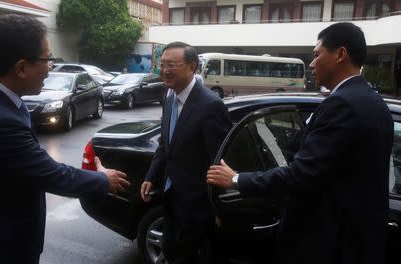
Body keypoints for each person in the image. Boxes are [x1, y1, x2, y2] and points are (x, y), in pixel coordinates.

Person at [207, 22, 393, 264]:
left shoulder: (341, 105)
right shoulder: (374, 101)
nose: (312, 64)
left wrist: (236, 180)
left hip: (329, 243)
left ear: (340, 54)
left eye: (317, 55)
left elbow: (302, 174)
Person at [0, 14, 130, 264]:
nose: (51, 67)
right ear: (21, 68)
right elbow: (49, 174)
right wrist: (102, 179)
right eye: (48, 59)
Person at [140, 42, 232, 263]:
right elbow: (165, 144)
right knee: (170, 250)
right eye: (162, 64)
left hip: (197, 207)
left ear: (192, 67)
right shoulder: (169, 96)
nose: (164, 70)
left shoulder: (211, 105)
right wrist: (151, 177)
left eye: (171, 65)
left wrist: (218, 209)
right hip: (170, 196)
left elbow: (219, 160)